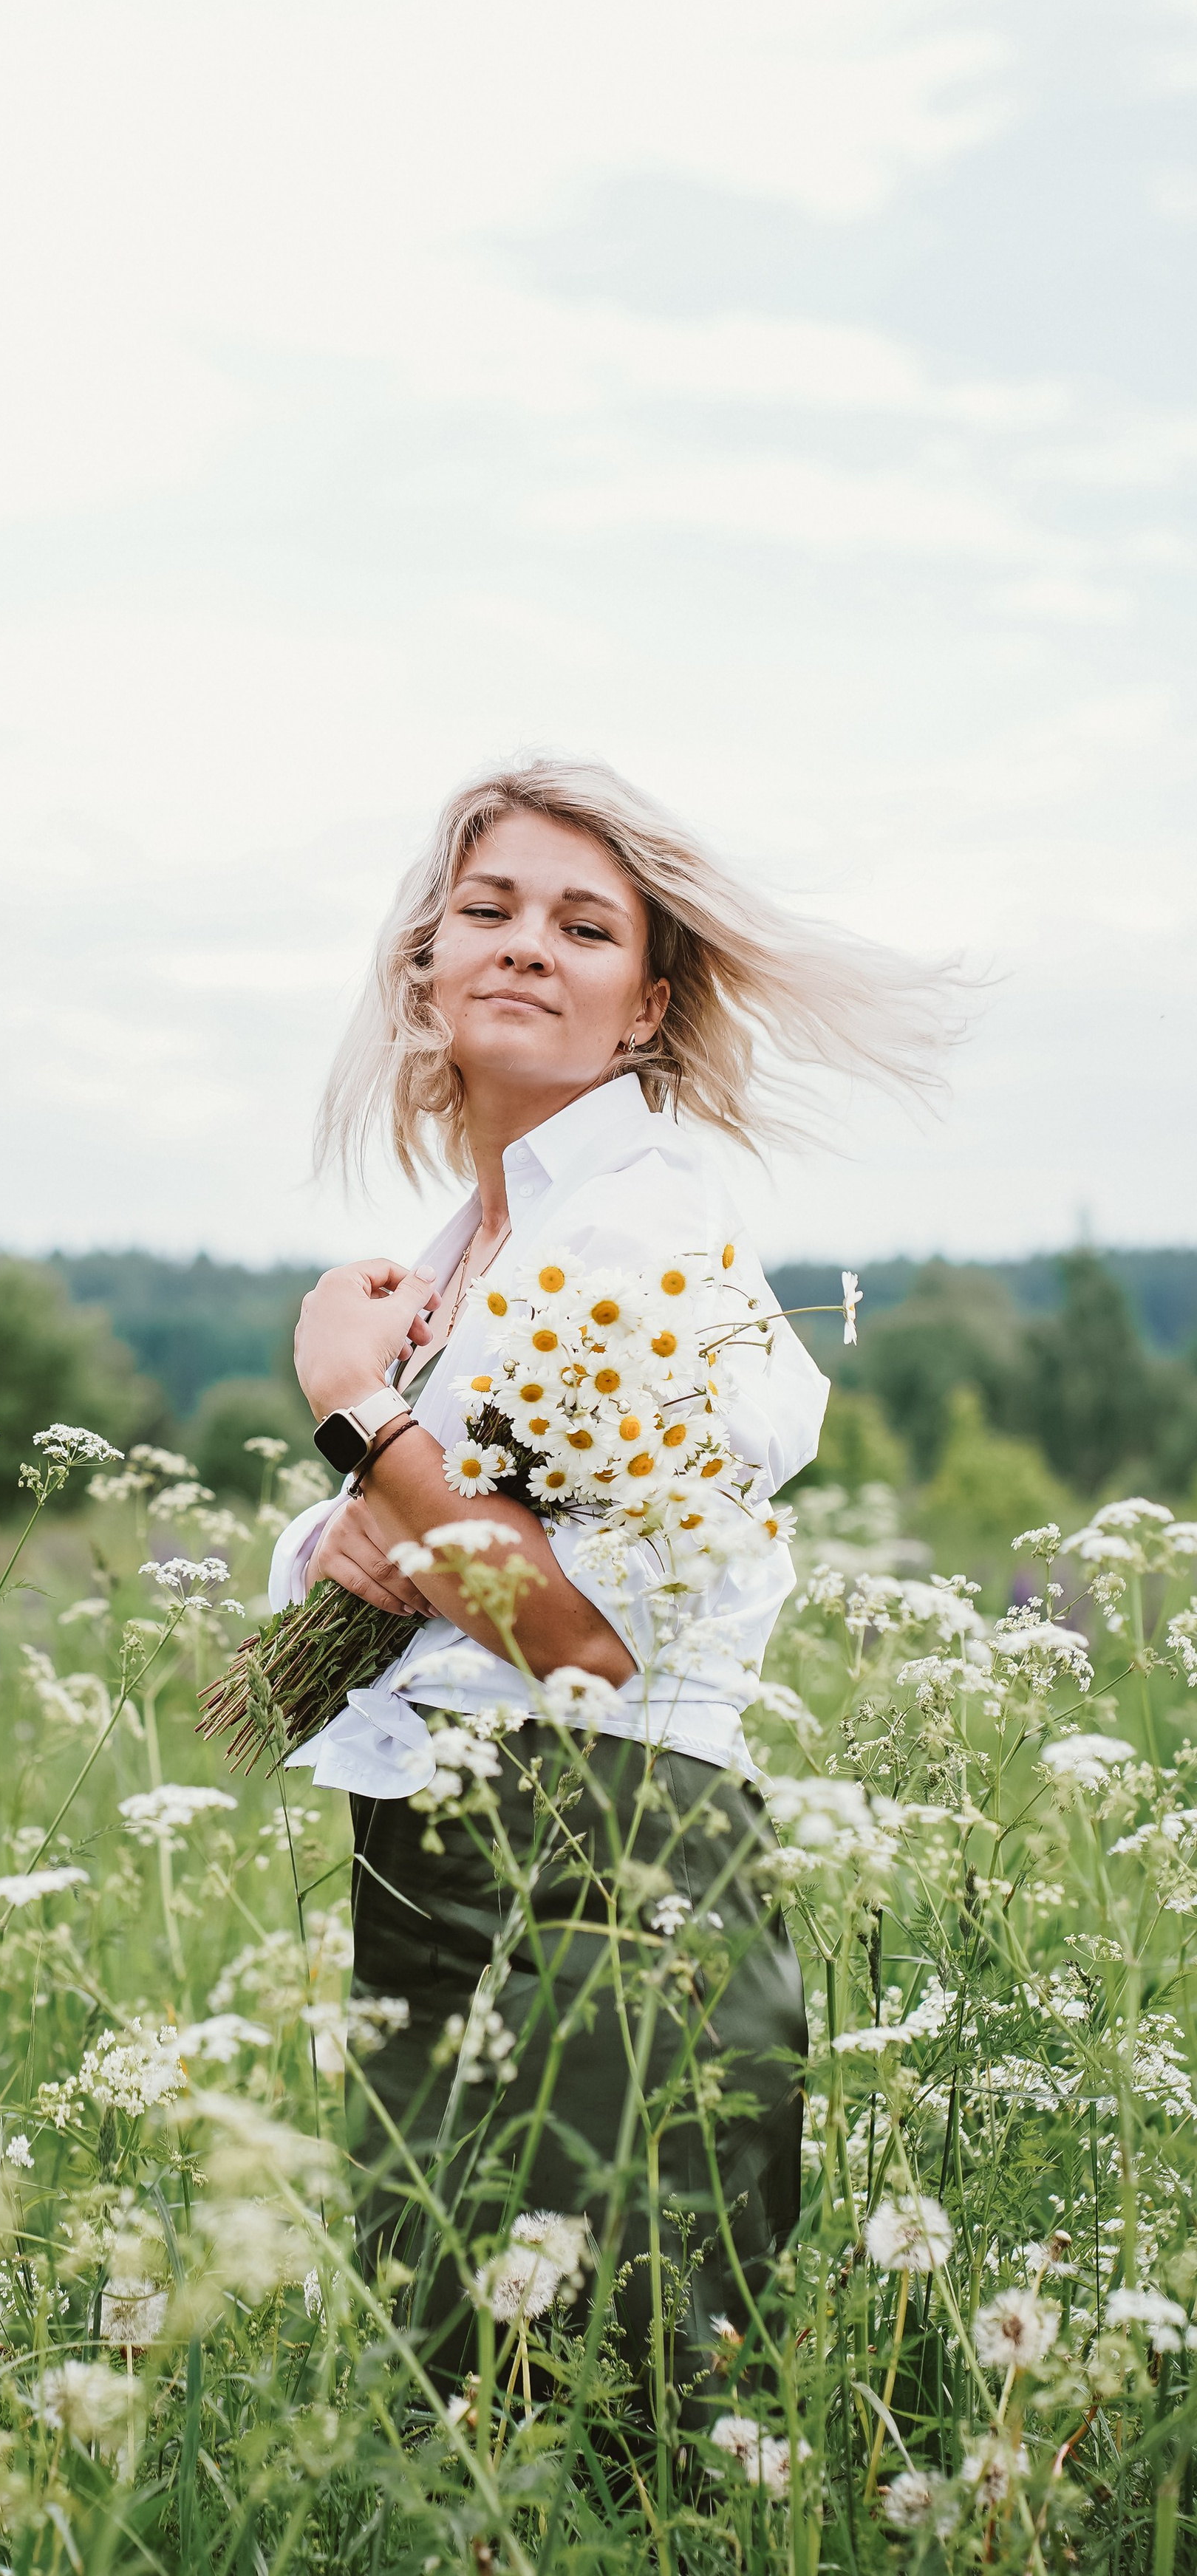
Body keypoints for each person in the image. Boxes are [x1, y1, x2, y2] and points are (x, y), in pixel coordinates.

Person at [269, 756, 958, 2421]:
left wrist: (351, 1414)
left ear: (643, 1007)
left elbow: (578, 1638)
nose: (523, 945)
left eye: (582, 927)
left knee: (606, 2412)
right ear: (419, 965)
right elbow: (423, 1556)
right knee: (454, 2405)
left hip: (603, 1840)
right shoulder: (460, 1247)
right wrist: (348, 1526)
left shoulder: (647, 1237)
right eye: (486, 910)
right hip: (439, 1837)